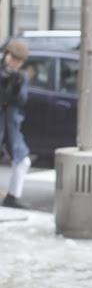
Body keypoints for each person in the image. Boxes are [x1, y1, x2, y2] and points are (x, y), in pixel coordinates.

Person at [0, 40, 31, 209]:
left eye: (19, 61)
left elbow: (22, 100)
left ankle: (12, 197)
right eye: (13, 58)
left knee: (23, 161)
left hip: (12, 126)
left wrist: (16, 85)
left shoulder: (21, 76)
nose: (15, 63)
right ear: (6, 54)